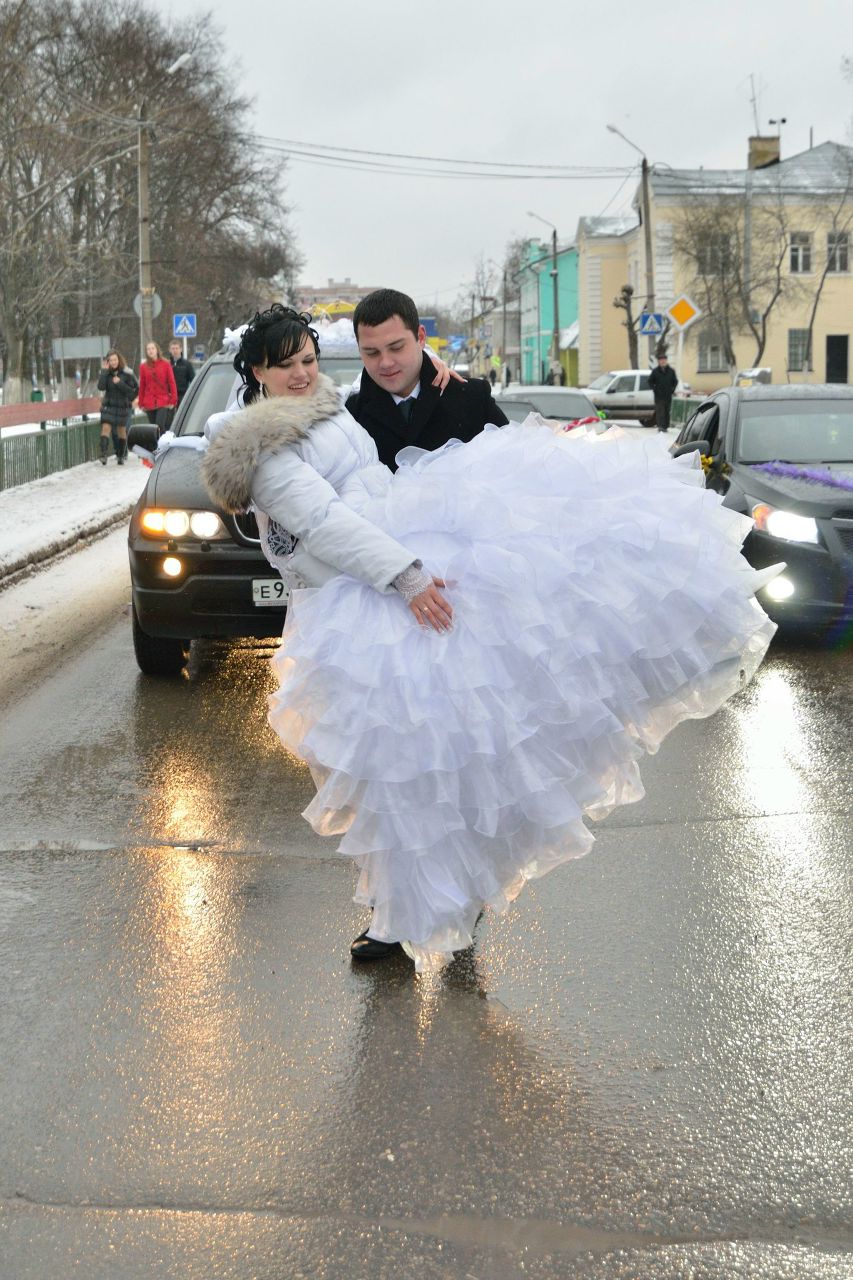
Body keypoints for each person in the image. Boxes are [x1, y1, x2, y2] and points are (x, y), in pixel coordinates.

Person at [201, 306, 779, 972]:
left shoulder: (324, 408)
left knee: (467, 750)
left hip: (390, 578)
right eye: (285, 364)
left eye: (308, 359)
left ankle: (454, 901)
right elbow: (325, 523)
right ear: (255, 372)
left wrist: (432, 375)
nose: (302, 373)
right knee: (398, 774)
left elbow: (383, 420)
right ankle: (400, 916)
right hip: (361, 603)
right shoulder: (264, 447)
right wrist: (407, 577)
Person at [345, 289, 508, 471]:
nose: (386, 363)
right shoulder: (351, 416)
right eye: (372, 353)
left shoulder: (472, 399)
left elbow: (512, 466)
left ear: (421, 337)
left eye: (397, 347)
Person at [96, 350, 138, 466]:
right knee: (105, 428)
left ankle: (121, 455)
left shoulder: (127, 373)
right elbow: (101, 387)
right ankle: (103, 455)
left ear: (119, 360)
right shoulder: (106, 373)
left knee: (121, 431)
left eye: (115, 360)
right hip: (109, 406)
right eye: (111, 360)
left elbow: (133, 392)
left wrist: (120, 383)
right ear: (107, 362)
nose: (113, 362)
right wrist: (104, 372)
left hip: (122, 406)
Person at [138, 341, 177, 435]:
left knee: (160, 424)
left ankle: (163, 445)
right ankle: (156, 446)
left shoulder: (165, 364)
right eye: (148, 349)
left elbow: (171, 382)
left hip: (163, 400)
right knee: (153, 427)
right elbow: (142, 385)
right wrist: (141, 402)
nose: (150, 351)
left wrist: (173, 400)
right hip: (149, 402)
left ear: (157, 350)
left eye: (152, 348)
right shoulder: (143, 367)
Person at [649, 352, 678, 432]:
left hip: (668, 395)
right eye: (661, 360)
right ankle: (660, 427)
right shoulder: (655, 371)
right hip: (658, 396)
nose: (662, 361)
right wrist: (655, 389)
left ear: (666, 361)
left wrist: (672, 390)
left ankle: (665, 426)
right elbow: (650, 381)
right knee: (660, 412)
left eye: (664, 360)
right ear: (658, 361)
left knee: (666, 411)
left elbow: (675, 381)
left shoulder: (671, 371)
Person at [168, 339, 196, 405]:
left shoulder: (187, 364)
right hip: (169, 395)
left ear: (181, 349)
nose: (175, 350)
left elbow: (193, 379)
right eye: (173, 348)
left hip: (182, 395)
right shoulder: (167, 364)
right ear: (169, 350)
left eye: (177, 348)